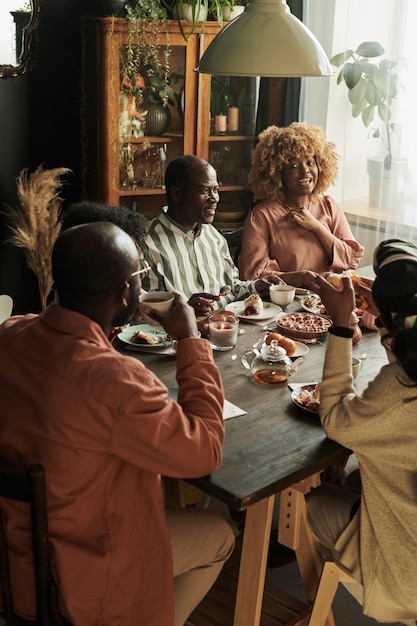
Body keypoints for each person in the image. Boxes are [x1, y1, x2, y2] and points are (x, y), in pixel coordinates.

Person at [0, 222, 235, 626]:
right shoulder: (116, 383)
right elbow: (205, 452)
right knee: (221, 535)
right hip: (89, 577)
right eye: (141, 276)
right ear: (125, 290)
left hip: (17, 561)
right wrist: (191, 341)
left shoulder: (9, 335)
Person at [306, 239, 417, 623]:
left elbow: (335, 418)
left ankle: (323, 606)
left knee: (315, 503)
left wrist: (341, 326)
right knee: (356, 480)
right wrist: (391, 322)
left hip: (410, 576)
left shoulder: (399, 389)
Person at [142, 154, 283, 319]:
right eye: (204, 190)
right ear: (176, 194)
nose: (215, 198)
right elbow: (142, 312)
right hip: (178, 339)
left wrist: (257, 286)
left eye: (215, 190)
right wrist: (182, 309)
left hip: (225, 328)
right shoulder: (146, 242)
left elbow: (232, 287)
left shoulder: (213, 237)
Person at [239, 123, 364, 287]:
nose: (305, 170)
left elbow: (349, 262)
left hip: (328, 300)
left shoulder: (329, 206)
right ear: (277, 173)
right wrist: (297, 278)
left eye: (310, 162)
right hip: (284, 304)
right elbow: (253, 275)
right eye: (294, 166)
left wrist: (316, 227)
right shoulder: (262, 217)